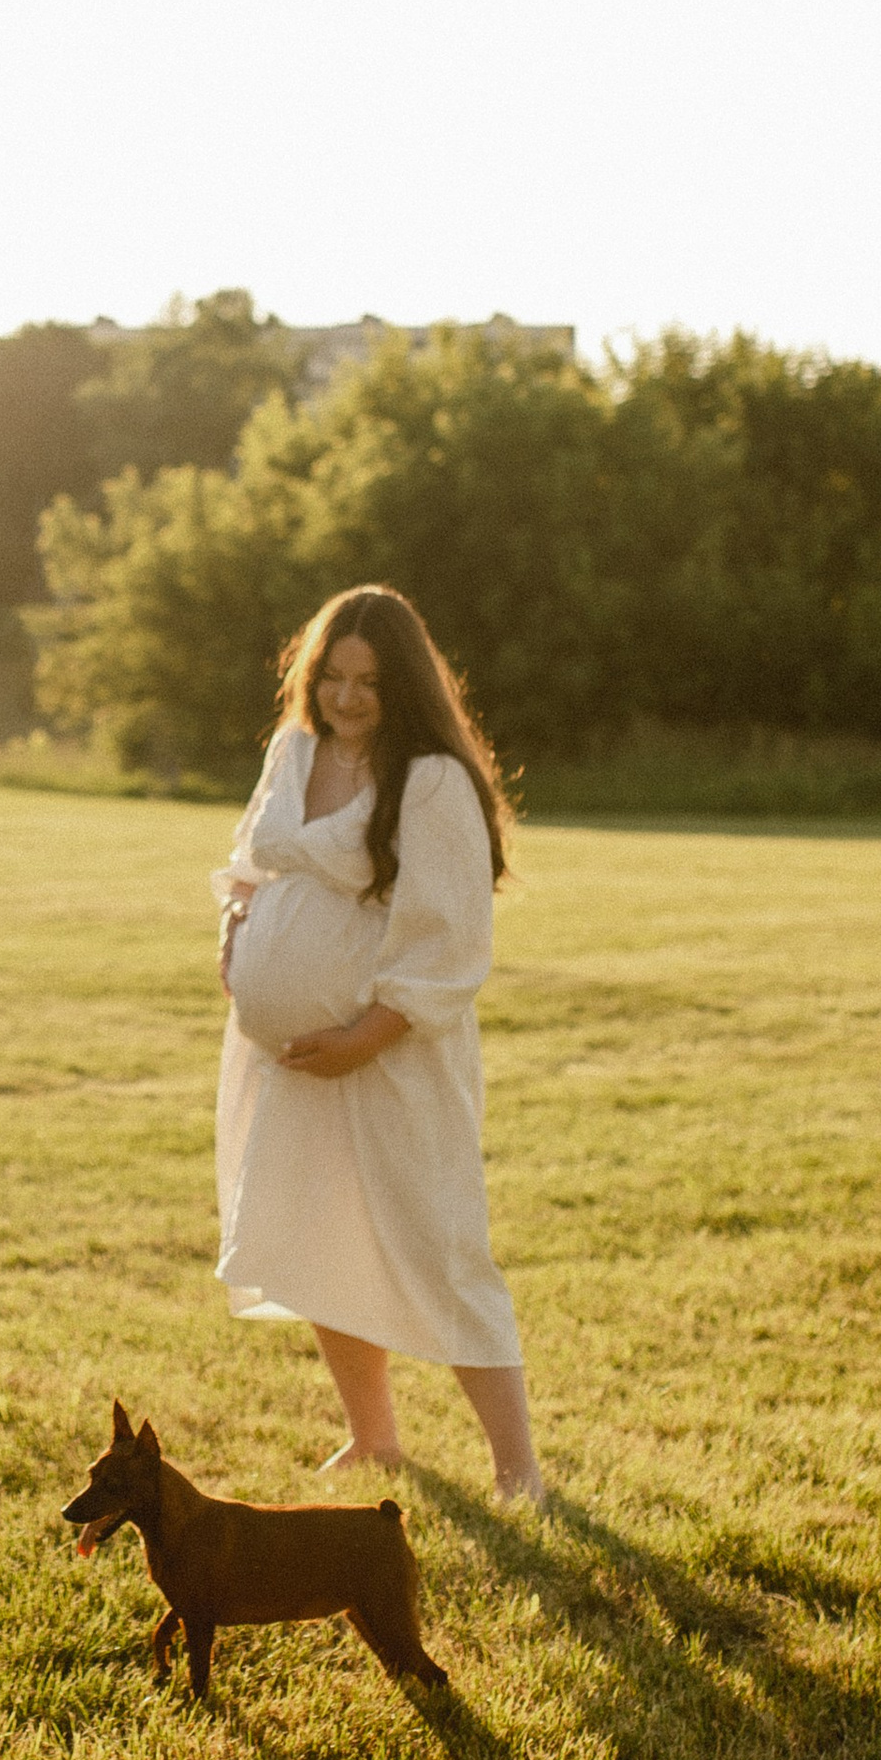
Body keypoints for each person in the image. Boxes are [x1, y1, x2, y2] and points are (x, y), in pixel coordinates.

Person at [213, 584, 546, 1501]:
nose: (348, 697)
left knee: (440, 1243)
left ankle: (519, 1470)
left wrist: (365, 1035)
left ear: (406, 685)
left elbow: (449, 936)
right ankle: (374, 1438)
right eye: (332, 676)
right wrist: (236, 936)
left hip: (392, 1053)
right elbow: (248, 861)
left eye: (369, 680)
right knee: (317, 1229)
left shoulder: (430, 779)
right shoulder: (294, 749)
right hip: (289, 1060)